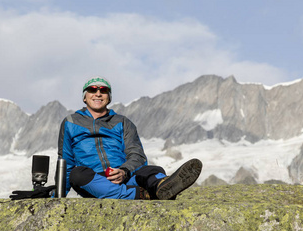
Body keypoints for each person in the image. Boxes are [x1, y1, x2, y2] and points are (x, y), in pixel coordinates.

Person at [58, 76, 202, 200]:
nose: (98, 93)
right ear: (84, 96)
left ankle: (162, 186)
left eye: (103, 90)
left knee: (151, 170)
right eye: (92, 90)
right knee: (77, 175)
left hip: (124, 176)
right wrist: (58, 196)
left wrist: (124, 171)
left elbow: (137, 155)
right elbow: (65, 161)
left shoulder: (122, 122)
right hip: (95, 182)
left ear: (109, 97)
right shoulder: (71, 122)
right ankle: (141, 194)